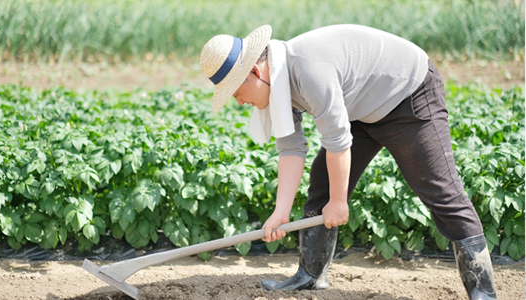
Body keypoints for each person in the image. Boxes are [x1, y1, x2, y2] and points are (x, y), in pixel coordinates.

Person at [199, 24, 498, 300]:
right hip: (363, 107)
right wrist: (281, 213)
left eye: (237, 92)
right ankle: (311, 275)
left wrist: (339, 202)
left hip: (408, 95)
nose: (239, 101)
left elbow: (337, 141)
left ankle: (483, 292)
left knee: (439, 189)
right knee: (323, 182)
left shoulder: (306, 68)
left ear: (254, 70)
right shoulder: (276, 81)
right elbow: (291, 148)